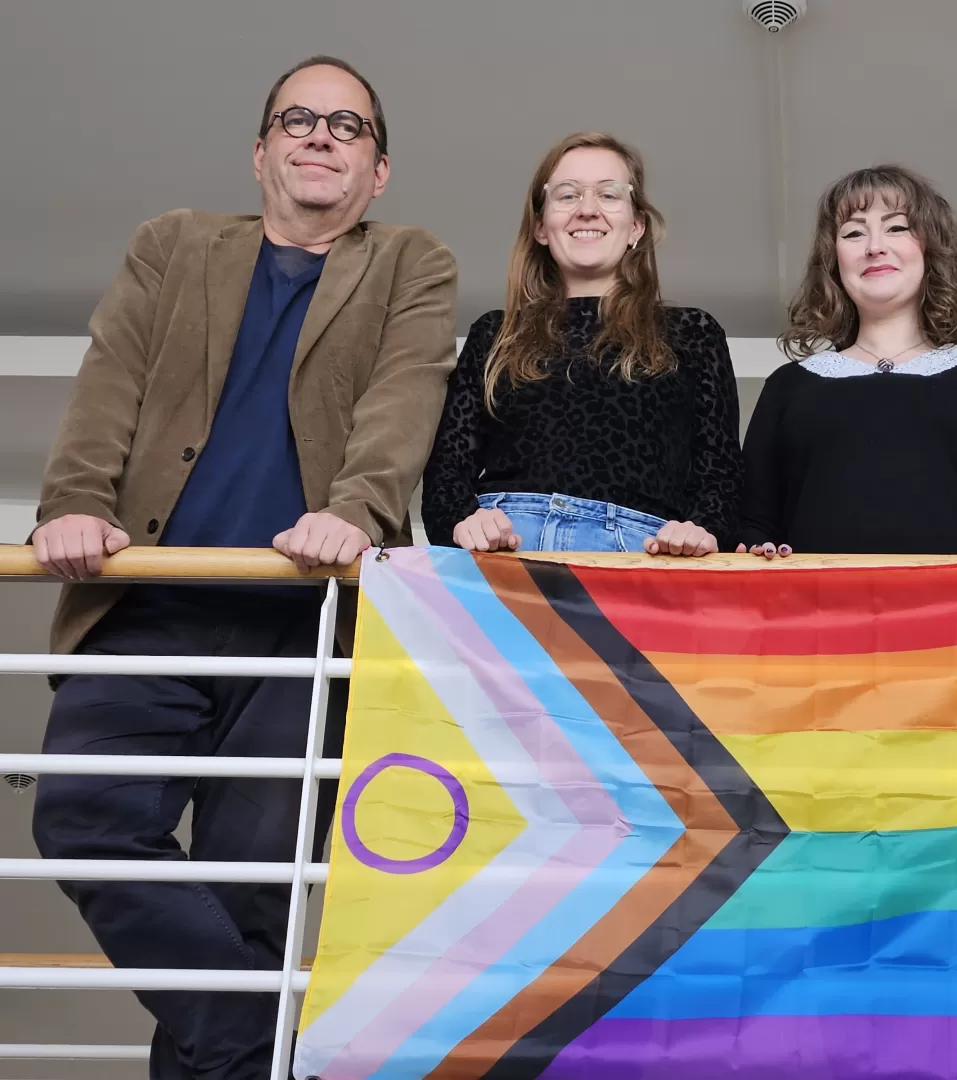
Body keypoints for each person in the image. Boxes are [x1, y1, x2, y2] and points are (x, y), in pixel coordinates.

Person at [28, 56, 458, 1080]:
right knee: (83, 816)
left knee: (253, 897)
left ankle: (247, 1053)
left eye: (346, 126)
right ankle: (272, 1054)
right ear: (259, 151)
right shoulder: (173, 246)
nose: (320, 136)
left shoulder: (409, 261)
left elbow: (404, 400)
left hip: (297, 628)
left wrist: (355, 511)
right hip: (146, 610)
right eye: (297, 120)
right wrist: (76, 500)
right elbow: (111, 378)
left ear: (378, 170)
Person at [421, 132, 741, 557]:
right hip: (503, 550)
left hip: (639, 553)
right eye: (567, 195)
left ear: (637, 226)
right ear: (540, 226)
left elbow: (720, 477)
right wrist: (464, 521)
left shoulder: (692, 333)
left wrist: (701, 532)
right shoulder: (494, 334)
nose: (587, 210)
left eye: (609, 194)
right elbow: (446, 473)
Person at [736, 164, 957, 559]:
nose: (874, 246)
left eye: (897, 227)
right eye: (853, 232)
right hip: (815, 614)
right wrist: (755, 549)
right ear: (833, 261)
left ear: (930, 247)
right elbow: (752, 527)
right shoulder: (787, 387)